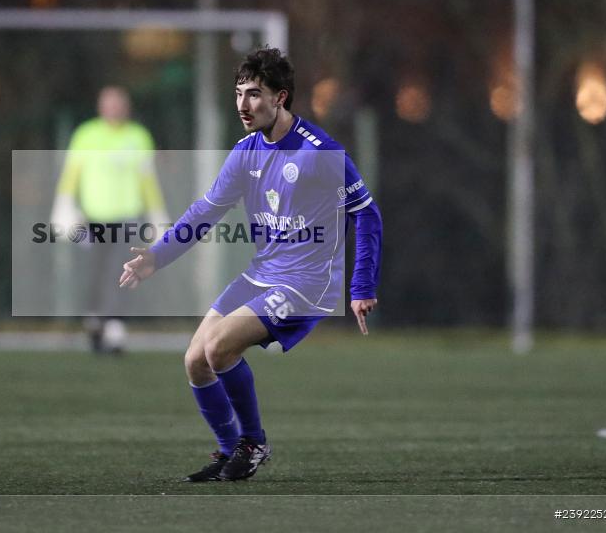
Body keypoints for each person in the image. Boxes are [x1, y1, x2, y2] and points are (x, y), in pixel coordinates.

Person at [119, 48, 382, 481]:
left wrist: (361, 285)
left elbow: (366, 214)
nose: (243, 105)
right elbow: (205, 211)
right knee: (195, 360)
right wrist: (156, 257)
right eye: (239, 93)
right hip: (263, 273)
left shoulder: (319, 152)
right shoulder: (246, 152)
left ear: (280, 98)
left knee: (220, 345)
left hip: (307, 283)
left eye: (254, 94)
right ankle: (228, 453)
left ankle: (254, 443)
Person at [51, 86, 169, 353]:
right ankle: (94, 321)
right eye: (109, 103)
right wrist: (64, 206)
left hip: (126, 217)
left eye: (119, 103)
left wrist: (157, 215)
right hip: (92, 218)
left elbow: (148, 181)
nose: (114, 108)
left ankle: (115, 327)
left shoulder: (138, 137)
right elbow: (71, 174)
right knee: (93, 273)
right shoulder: (86, 135)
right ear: (100, 106)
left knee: (121, 270)